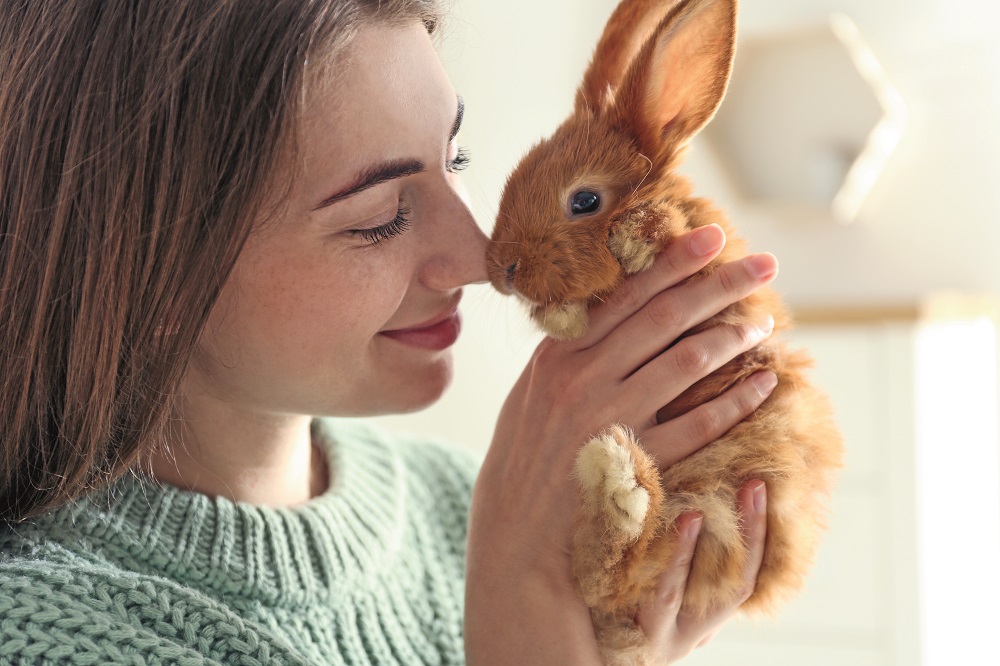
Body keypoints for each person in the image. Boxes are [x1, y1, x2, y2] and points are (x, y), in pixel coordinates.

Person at [0, 1, 778, 663]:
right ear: (150, 266)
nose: (478, 258)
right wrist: (524, 619)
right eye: (379, 217)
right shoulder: (44, 632)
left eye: (455, 158)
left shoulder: (464, 504)